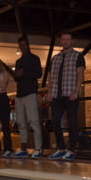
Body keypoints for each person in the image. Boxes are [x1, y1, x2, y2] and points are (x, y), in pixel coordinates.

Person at [47, 31, 85, 160]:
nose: (65, 41)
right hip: (57, 95)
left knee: (73, 122)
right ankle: (61, 148)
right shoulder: (55, 58)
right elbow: (50, 76)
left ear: (72, 41)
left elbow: (80, 74)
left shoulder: (78, 56)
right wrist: (49, 91)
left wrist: (77, 90)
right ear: (61, 41)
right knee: (55, 121)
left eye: (68, 39)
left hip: (70, 94)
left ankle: (72, 149)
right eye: (63, 39)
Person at [11, 36, 43, 159]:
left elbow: (39, 74)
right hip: (19, 95)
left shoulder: (35, 58)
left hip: (31, 93)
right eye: (21, 45)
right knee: (21, 123)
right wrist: (16, 75)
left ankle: (38, 149)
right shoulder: (18, 61)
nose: (23, 47)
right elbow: (16, 78)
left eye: (24, 45)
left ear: (28, 45)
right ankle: (24, 149)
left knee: (34, 121)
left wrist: (24, 73)